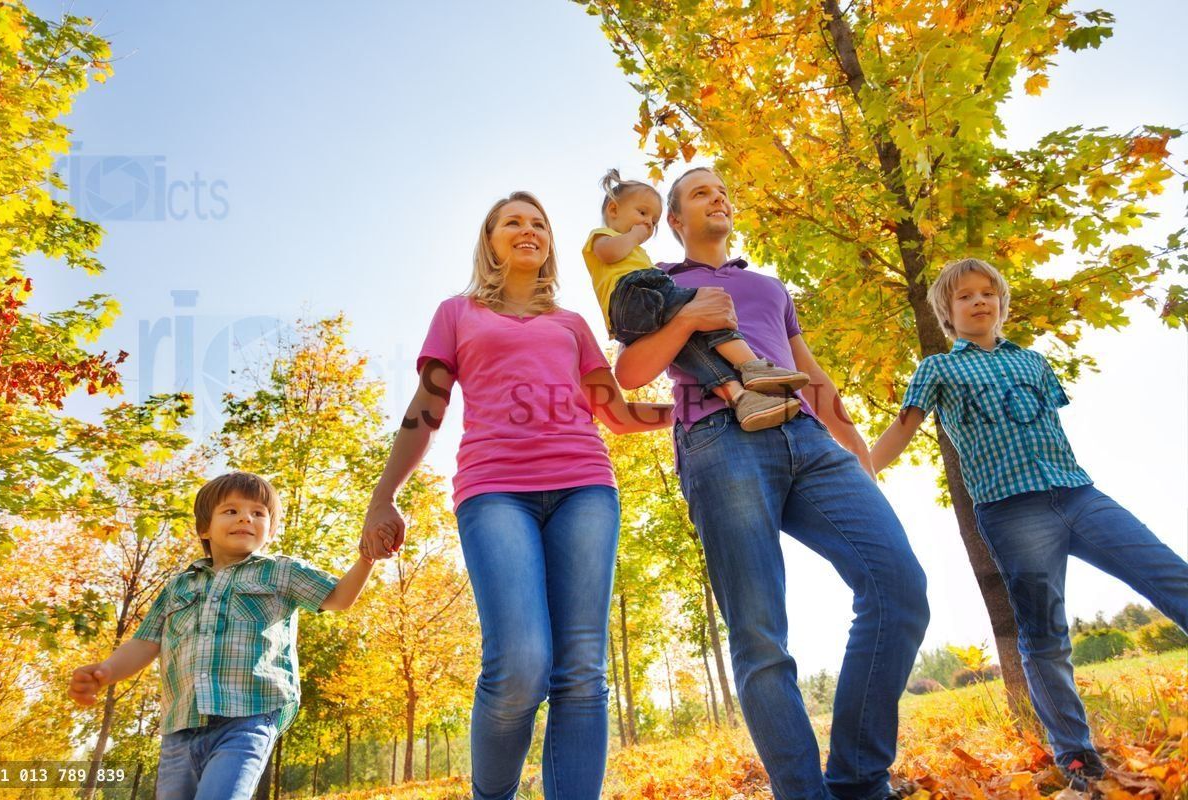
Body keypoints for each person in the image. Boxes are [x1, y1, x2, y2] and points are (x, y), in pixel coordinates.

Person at [613, 166, 929, 800]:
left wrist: (858, 452)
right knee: (760, 635)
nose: (718, 196)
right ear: (675, 221)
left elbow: (809, 373)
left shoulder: (768, 286)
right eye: (701, 192)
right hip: (718, 438)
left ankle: (859, 781)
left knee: (899, 587)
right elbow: (630, 372)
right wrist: (685, 320)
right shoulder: (657, 283)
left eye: (723, 189)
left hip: (809, 439)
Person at [360, 191, 671, 800]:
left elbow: (618, 413)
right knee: (521, 664)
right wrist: (384, 495)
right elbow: (428, 407)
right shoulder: (457, 313)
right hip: (495, 489)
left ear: (549, 242)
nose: (527, 230)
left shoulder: (572, 324)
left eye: (538, 223)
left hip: (585, 486)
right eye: (512, 223)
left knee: (581, 671)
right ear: (491, 240)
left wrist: (690, 408)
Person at [871, 257, 1188, 792]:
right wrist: (856, 476)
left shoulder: (1036, 364)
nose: (979, 301)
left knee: (1169, 575)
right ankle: (1076, 754)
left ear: (1001, 301)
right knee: (1045, 634)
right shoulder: (938, 370)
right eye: (965, 296)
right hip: (1012, 512)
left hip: (1079, 494)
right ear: (947, 312)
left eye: (987, 292)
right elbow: (901, 431)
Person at [68, 472, 375, 800]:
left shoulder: (281, 572)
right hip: (180, 725)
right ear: (205, 528)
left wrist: (367, 557)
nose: (246, 517)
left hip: (249, 715)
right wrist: (106, 672)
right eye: (231, 511)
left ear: (269, 531)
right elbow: (145, 642)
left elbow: (340, 596)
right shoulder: (179, 587)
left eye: (258, 513)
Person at [583, 168, 808, 431]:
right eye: (642, 214)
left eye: (653, 221)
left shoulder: (772, 287)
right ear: (613, 210)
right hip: (636, 294)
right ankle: (752, 365)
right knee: (707, 307)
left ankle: (741, 398)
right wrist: (635, 237)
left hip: (642, 299)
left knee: (698, 349)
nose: (647, 225)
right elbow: (609, 254)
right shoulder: (603, 236)